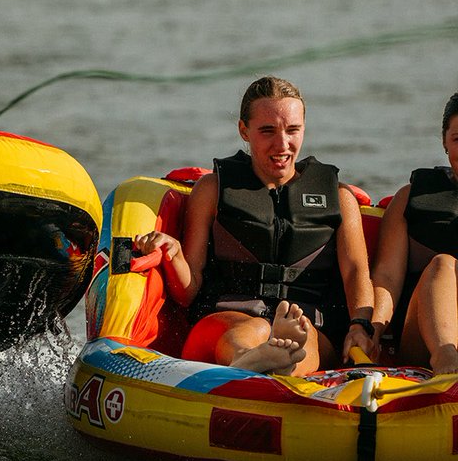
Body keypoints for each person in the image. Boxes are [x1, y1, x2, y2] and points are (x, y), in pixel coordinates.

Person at [133, 76, 378, 375]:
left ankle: (280, 362)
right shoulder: (212, 190)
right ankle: (253, 359)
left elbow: (356, 272)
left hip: (307, 323)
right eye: (267, 131)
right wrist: (174, 255)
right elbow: (188, 291)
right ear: (244, 131)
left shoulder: (339, 198)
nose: (282, 144)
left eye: (293, 130)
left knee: (306, 336)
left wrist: (360, 326)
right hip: (228, 318)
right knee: (252, 329)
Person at [370, 92, 458, 373]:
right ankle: (448, 363)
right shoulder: (410, 199)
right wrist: (372, 329)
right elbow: (386, 277)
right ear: (444, 142)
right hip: (421, 340)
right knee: (443, 264)